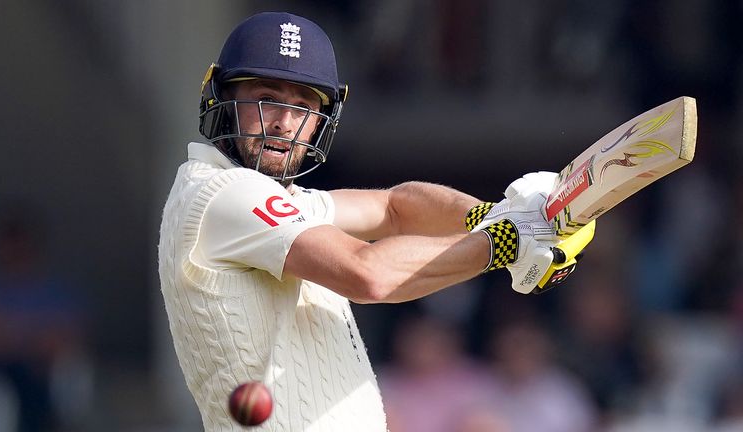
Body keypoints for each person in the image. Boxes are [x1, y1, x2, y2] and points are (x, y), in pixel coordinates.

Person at [158, 11, 587, 431]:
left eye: (303, 105)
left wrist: (495, 215)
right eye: (267, 99)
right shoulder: (224, 193)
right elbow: (368, 274)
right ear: (223, 97)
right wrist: (507, 242)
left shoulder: (276, 200)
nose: (284, 123)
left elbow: (394, 208)